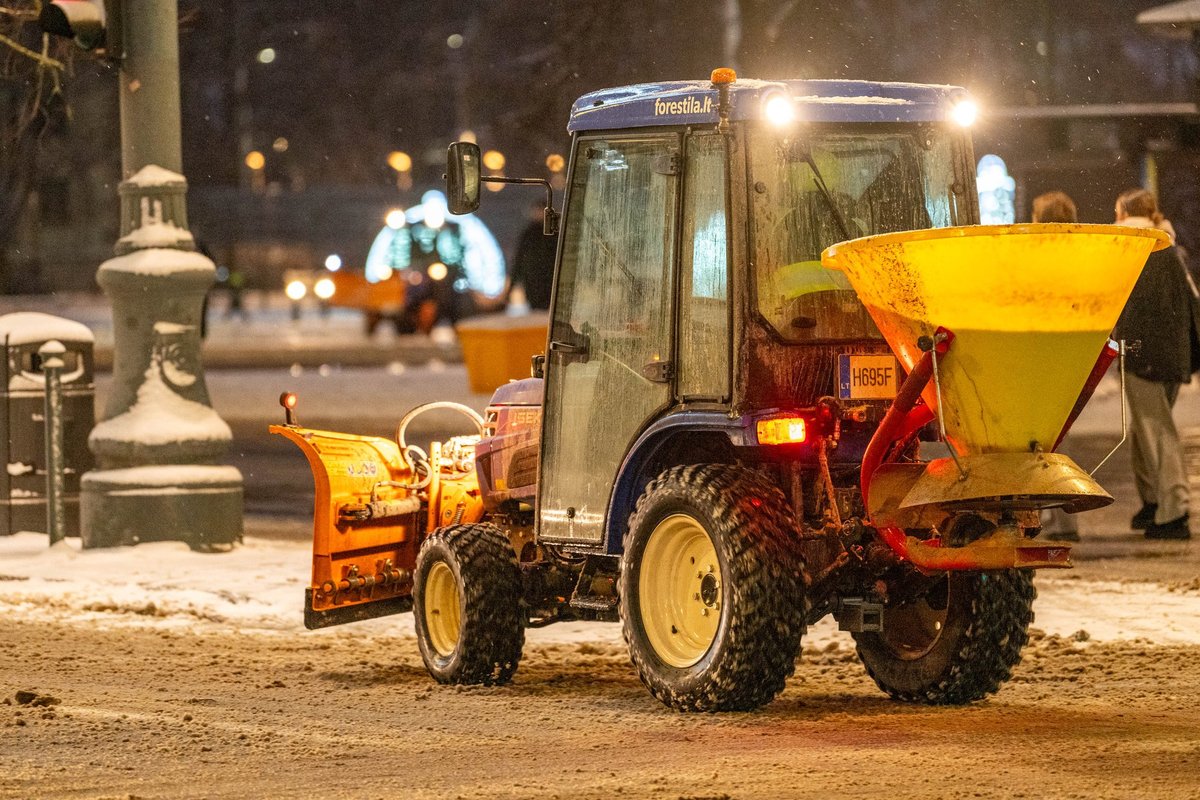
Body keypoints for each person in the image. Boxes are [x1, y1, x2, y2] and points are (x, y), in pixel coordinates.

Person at [1113, 188, 1195, 540]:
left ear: (1122, 213)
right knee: (1144, 431)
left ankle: (1173, 510)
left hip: (1144, 353)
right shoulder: (1169, 247)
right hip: (1172, 352)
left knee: (1156, 430)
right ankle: (1153, 502)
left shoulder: (1128, 244)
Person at [1031, 191, 1082, 541]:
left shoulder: (1038, 257)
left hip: (1040, 353)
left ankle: (1056, 522)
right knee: (1059, 438)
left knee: (1042, 442)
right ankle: (1065, 518)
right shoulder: (1082, 255)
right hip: (1070, 355)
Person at [508, 201, 558, 311]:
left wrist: (511, 286)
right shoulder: (532, 233)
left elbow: (519, 260)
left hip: (539, 280)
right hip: (540, 280)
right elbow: (520, 259)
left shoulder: (530, 233)